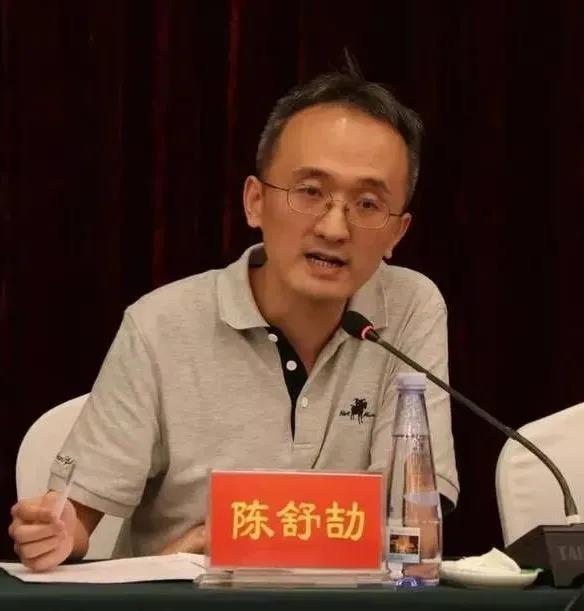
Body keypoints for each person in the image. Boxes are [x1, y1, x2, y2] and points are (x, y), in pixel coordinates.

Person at [9, 59, 459, 571]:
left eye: (368, 204)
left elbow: (414, 526)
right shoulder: (161, 324)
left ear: (397, 233)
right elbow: (73, 520)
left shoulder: (409, 309)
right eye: (310, 192)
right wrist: (54, 533)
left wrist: (235, 540)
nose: (334, 228)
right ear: (255, 201)